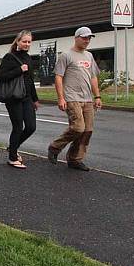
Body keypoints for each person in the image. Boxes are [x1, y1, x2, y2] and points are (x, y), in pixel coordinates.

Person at [47, 26, 103, 171]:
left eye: (89, 38)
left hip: (87, 99)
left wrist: (97, 96)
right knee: (78, 128)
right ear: (76, 38)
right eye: (84, 37)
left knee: (87, 130)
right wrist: (61, 98)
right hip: (72, 97)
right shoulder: (66, 56)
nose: (87, 40)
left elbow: (93, 77)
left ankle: (75, 159)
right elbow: (58, 77)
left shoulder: (89, 56)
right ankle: (55, 147)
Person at [0, 30, 39, 169]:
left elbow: (31, 80)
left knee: (31, 127)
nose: (26, 44)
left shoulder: (28, 58)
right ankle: (12, 157)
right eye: (24, 41)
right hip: (13, 98)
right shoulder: (9, 57)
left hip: (27, 98)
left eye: (29, 42)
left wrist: (35, 99)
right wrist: (19, 70)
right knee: (18, 127)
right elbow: (2, 76)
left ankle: (13, 148)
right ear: (18, 42)